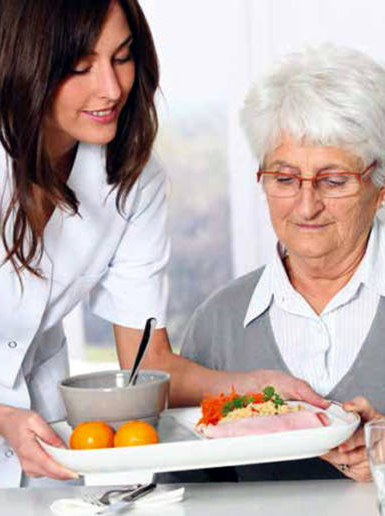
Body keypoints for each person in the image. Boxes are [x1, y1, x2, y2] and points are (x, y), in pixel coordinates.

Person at [0, 0, 326, 488]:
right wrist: (0, 419)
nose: (111, 88)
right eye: (81, 66)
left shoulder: (133, 179)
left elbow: (147, 363)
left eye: (122, 58)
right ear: (23, 63)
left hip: (44, 445)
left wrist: (254, 386)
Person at [160, 44, 385, 484]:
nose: (305, 206)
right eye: (283, 178)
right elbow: (183, 492)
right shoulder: (218, 322)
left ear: (380, 187)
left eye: (333, 180)